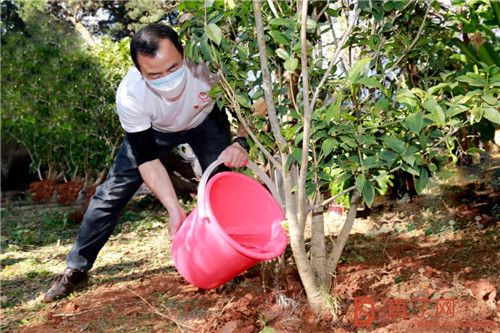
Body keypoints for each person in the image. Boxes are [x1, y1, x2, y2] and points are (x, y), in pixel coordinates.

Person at [44, 23, 249, 302]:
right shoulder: (130, 95)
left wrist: (241, 141)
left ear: (184, 53)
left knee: (221, 187)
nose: (166, 79)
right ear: (139, 72)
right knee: (110, 194)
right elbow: (148, 160)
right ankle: (77, 268)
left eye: (173, 68)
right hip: (155, 131)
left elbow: (249, 104)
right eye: (154, 75)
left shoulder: (207, 65)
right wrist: (175, 209)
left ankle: (230, 260)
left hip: (205, 122)